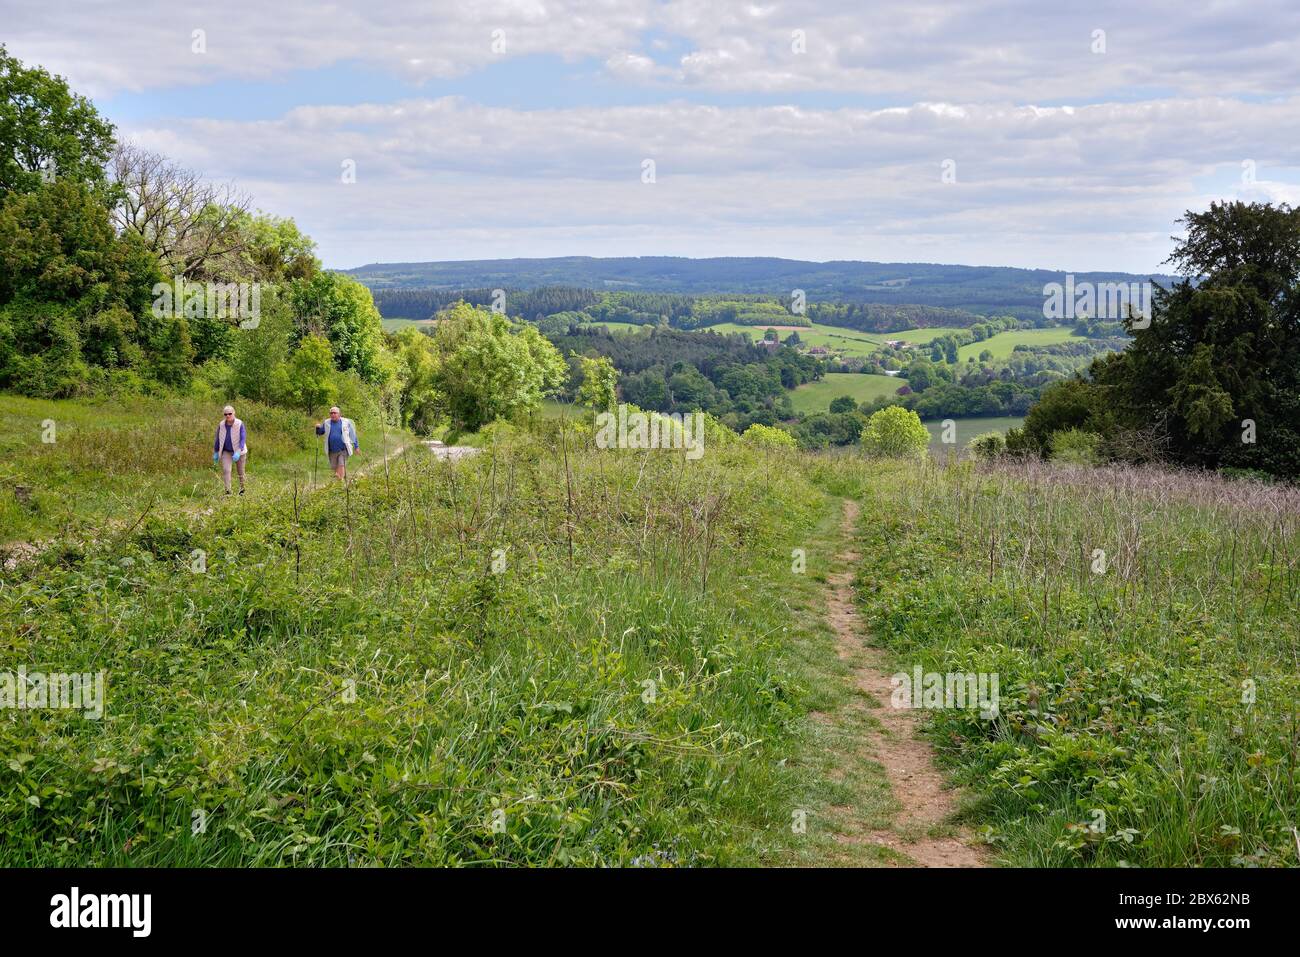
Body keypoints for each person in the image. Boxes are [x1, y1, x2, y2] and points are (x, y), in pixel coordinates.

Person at [315, 406, 359, 480]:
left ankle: (340, 483)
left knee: (341, 465)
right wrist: (318, 428)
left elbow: (352, 434)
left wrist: (356, 446)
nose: (333, 414)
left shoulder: (346, 422)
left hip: (343, 449)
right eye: (331, 413)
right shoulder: (326, 422)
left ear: (339, 414)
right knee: (335, 468)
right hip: (332, 450)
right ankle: (342, 480)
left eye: (335, 413)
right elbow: (320, 433)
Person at [212, 405, 248, 495]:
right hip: (226, 451)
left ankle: (242, 490)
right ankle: (228, 491)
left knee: (241, 472)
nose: (228, 416)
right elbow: (218, 438)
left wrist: (239, 451)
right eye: (225, 414)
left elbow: (243, 438)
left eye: (230, 414)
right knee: (226, 470)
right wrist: (216, 452)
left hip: (239, 451)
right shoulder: (221, 425)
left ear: (234, 413)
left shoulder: (239, 423)